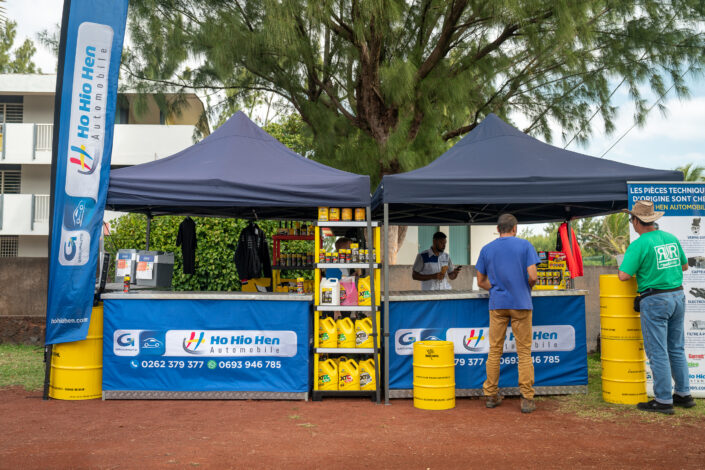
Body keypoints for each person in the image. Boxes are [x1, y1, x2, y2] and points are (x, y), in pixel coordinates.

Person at [618, 200, 695, 414]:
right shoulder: (671, 238)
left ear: (636, 221)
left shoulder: (639, 244)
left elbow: (623, 276)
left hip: (655, 300)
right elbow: (685, 266)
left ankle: (663, 400)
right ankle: (684, 394)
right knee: (676, 348)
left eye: (631, 219)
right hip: (677, 296)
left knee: (658, 351)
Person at [475, 214, 540, 413]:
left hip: (498, 305)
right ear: (515, 228)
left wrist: (496, 289)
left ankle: (490, 394)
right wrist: (525, 288)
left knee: (495, 350)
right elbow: (533, 276)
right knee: (524, 352)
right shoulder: (525, 245)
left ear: (498, 229)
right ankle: (527, 398)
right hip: (521, 303)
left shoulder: (487, 249)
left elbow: (480, 281)